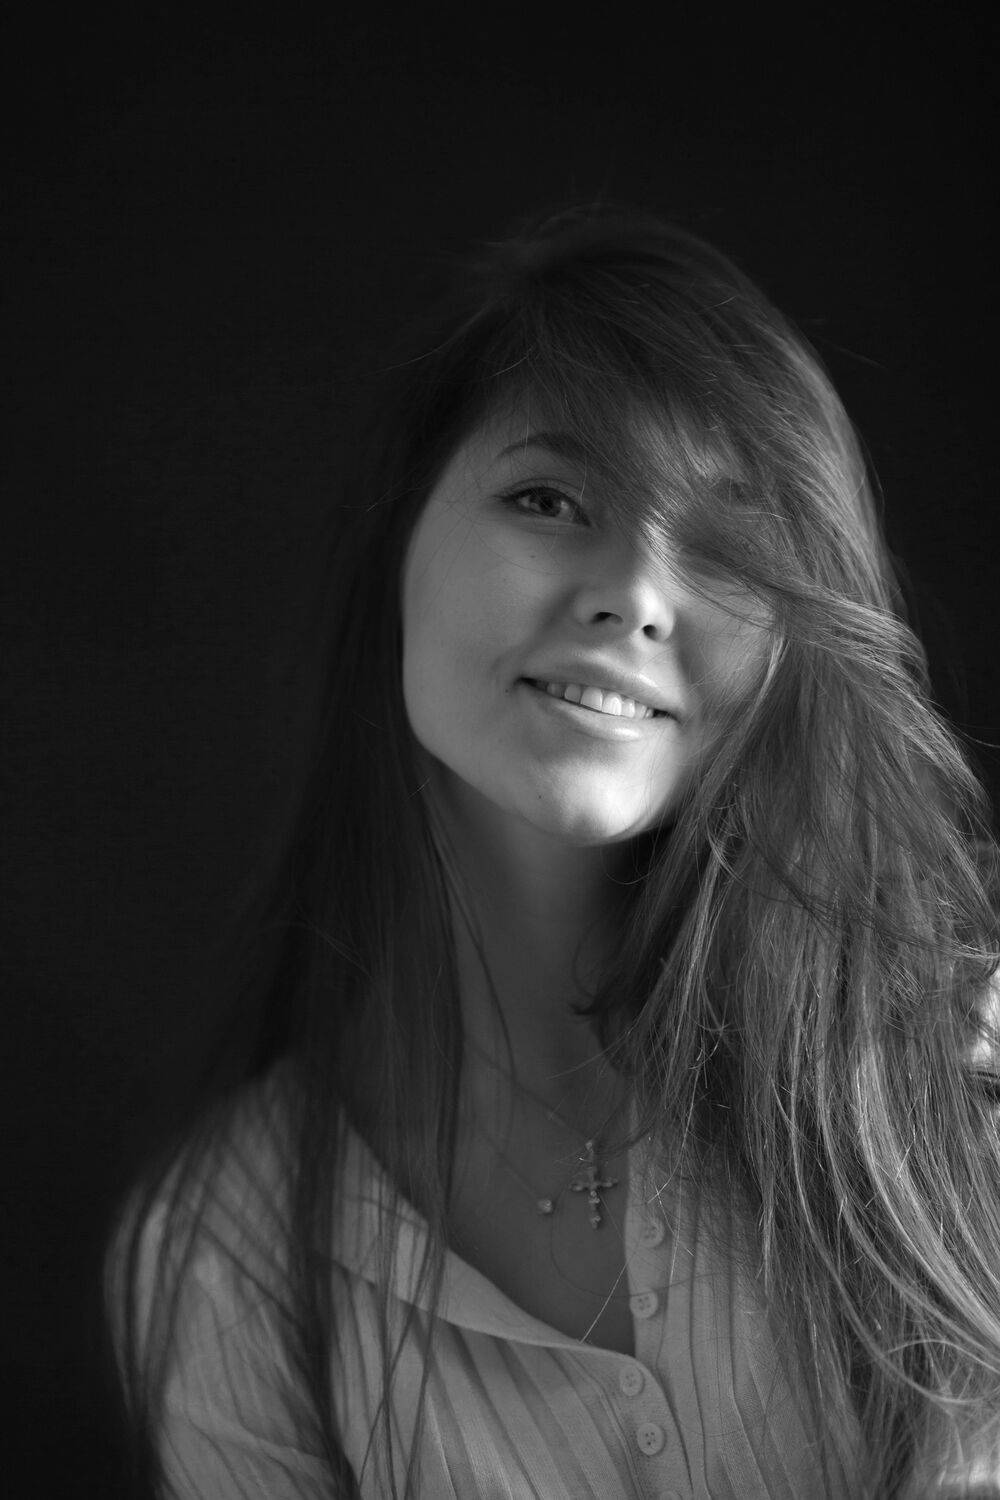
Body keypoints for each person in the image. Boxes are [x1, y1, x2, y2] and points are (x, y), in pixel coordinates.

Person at [105, 203, 1000, 1499]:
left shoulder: (954, 1065)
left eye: (729, 545)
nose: (633, 596)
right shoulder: (227, 1252)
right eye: (549, 499)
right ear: (400, 543)